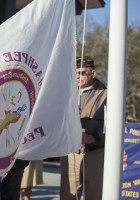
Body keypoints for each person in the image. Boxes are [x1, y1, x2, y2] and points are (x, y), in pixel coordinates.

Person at [60, 56, 107, 200]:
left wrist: (93, 137)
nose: (77, 76)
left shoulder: (106, 94)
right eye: (75, 73)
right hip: (70, 152)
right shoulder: (67, 93)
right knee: (68, 195)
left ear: (93, 73)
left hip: (95, 153)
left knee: (94, 194)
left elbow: (113, 125)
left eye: (81, 73)